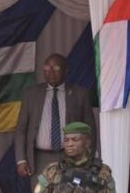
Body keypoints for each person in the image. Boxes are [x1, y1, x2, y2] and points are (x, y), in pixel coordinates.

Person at [14, 54, 95, 182]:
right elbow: (21, 129)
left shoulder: (80, 94)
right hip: (39, 159)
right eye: (46, 69)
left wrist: (89, 158)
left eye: (56, 69)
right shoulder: (31, 94)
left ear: (65, 71)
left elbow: (90, 129)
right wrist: (21, 160)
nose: (50, 73)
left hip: (71, 158)